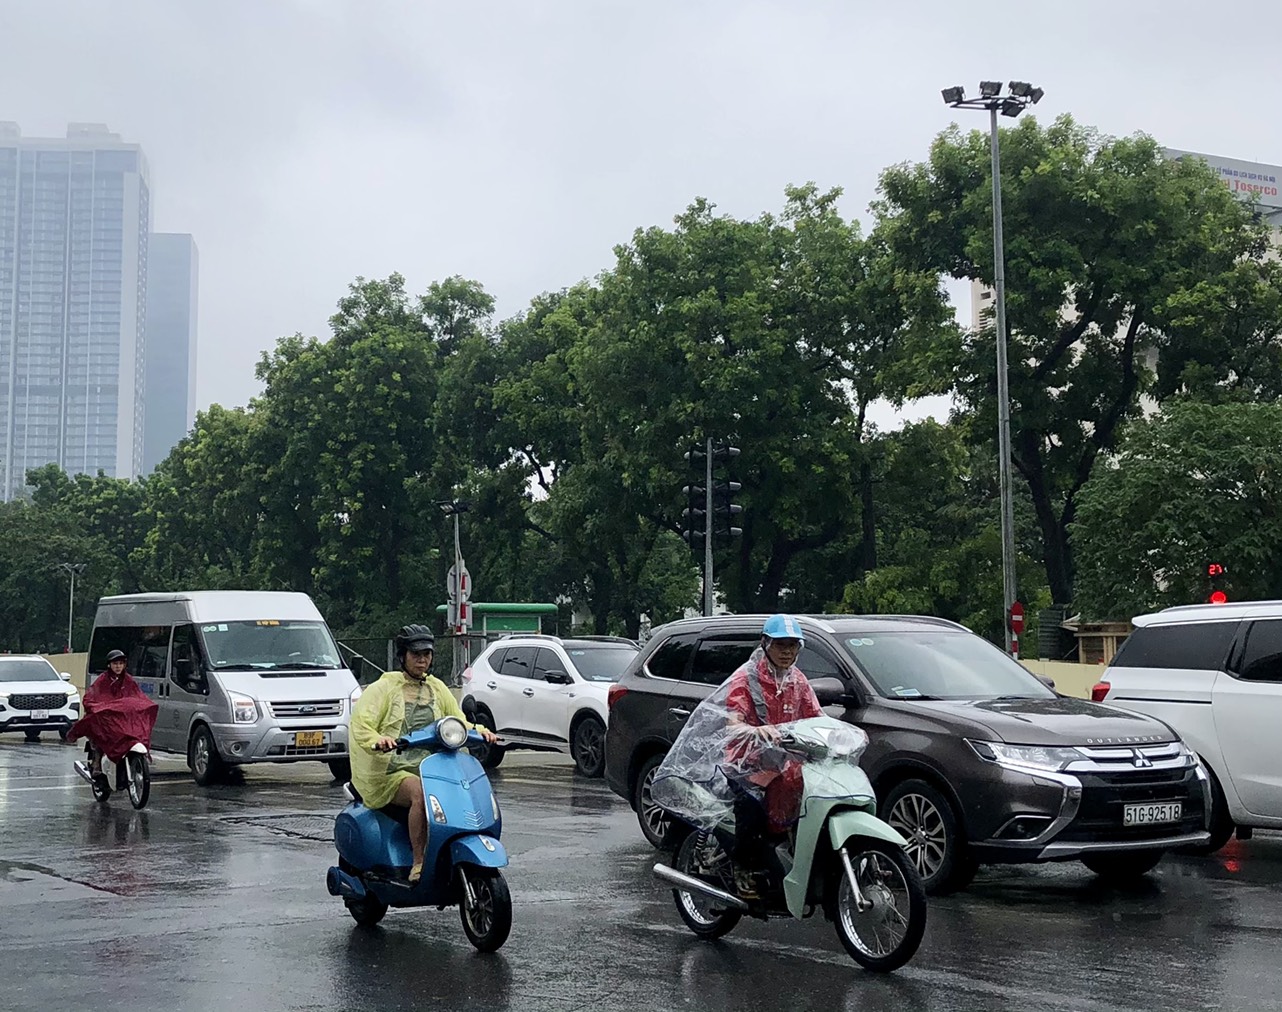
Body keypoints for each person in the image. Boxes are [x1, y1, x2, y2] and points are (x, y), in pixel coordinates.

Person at [649, 614, 822, 899]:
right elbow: (733, 723)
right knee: (751, 811)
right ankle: (744, 868)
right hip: (747, 764)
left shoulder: (798, 681)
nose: (787, 652)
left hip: (785, 763)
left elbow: (815, 716)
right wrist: (756, 731)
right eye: (781, 645)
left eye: (793, 645)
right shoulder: (746, 678)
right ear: (765, 644)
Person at [349, 624, 498, 884]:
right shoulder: (383, 688)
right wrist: (379, 740)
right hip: (392, 770)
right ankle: (419, 862)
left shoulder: (437, 688)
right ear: (402, 656)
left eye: (427, 654)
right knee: (420, 793)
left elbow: (457, 721)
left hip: (432, 766)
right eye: (416, 654)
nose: (422, 659)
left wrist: (482, 732)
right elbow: (362, 724)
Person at [66, 649, 159, 795]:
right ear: (109, 665)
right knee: (100, 733)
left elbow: (137, 697)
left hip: (122, 720)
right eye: (115, 664)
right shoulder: (102, 680)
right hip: (107, 719)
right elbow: (90, 698)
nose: (118, 666)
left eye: (121, 663)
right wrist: (98, 708)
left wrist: (144, 705)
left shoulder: (128, 680)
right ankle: (96, 763)